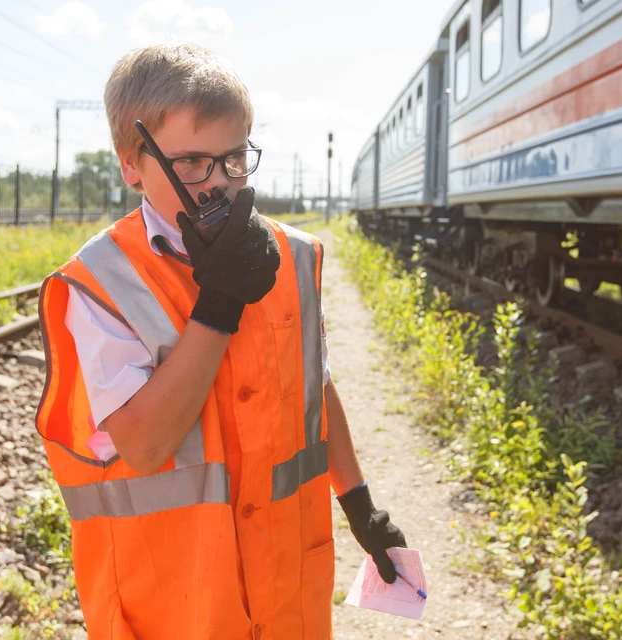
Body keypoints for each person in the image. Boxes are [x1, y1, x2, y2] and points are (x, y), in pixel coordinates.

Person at [34, 42, 407, 639]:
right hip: (176, 602)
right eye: (190, 163)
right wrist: (219, 306)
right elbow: (146, 444)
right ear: (132, 163)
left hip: (283, 589)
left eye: (234, 159)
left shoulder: (293, 255)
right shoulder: (100, 285)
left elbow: (317, 387)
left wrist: (360, 504)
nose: (219, 184)